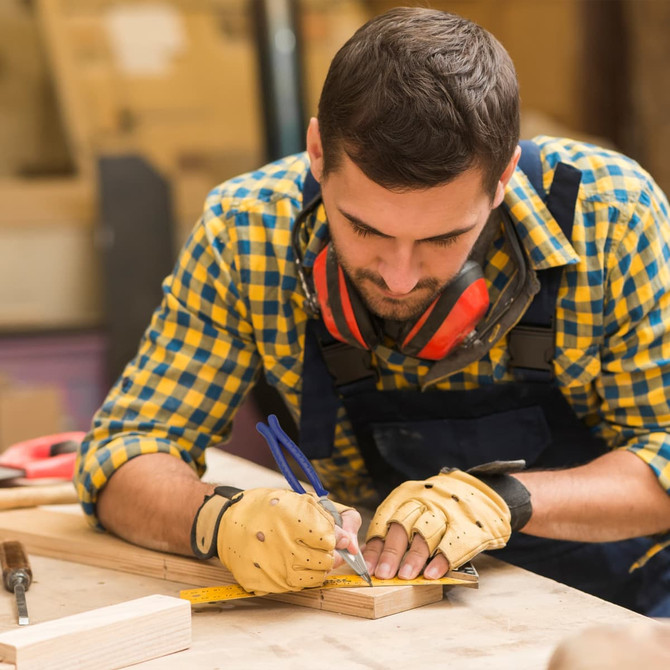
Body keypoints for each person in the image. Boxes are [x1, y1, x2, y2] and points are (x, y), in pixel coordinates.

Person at [75, 7, 670, 612]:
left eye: (443, 237)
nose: (398, 274)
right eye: (363, 228)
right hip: (392, 613)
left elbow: (665, 453)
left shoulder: (609, 216)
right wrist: (217, 520)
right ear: (315, 151)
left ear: (503, 179)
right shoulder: (246, 230)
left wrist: (506, 498)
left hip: (620, 603)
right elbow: (122, 453)